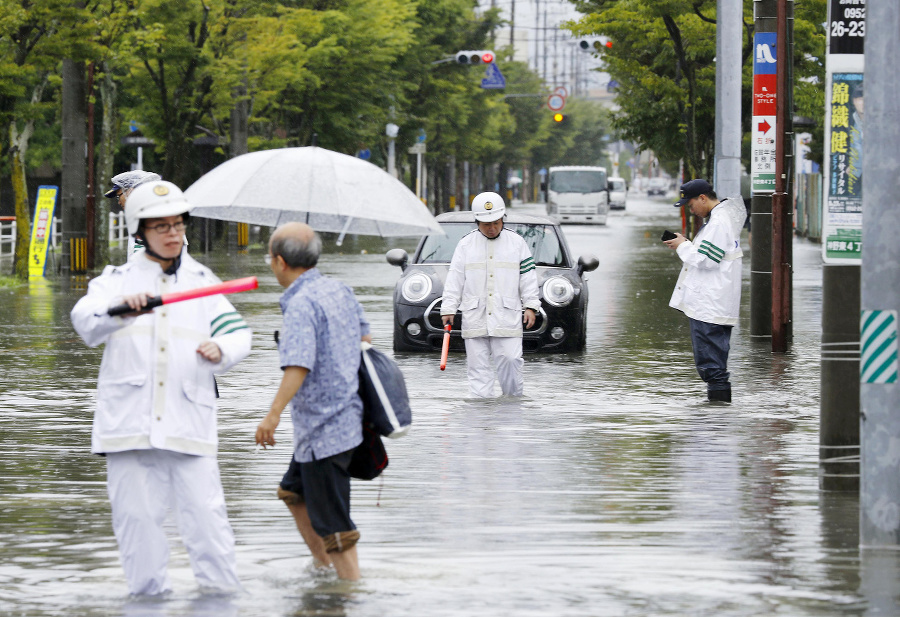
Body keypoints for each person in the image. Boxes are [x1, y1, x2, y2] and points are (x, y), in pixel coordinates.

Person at [70, 180, 252, 595]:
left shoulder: (203, 282)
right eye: (161, 227)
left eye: (178, 225)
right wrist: (121, 312)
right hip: (128, 432)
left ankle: (221, 604)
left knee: (210, 531)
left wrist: (220, 348)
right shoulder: (114, 281)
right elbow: (85, 322)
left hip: (190, 427)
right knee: (139, 537)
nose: (173, 234)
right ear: (140, 231)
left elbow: (239, 333)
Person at [255, 222, 372, 581]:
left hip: (325, 431)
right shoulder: (339, 289)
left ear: (278, 261)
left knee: (337, 526)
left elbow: (298, 366)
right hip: (343, 420)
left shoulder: (302, 305)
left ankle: (351, 592)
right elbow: (365, 336)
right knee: (293, 492)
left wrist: (271, 416)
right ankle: (324, 569)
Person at [440, 192, 541, 398]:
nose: (492, 228)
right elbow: (455, 278)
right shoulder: (465, 245)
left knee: (512, 362)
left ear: (503, 219)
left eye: (496, 223)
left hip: (507, 316)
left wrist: (531, 306)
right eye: (486, 224)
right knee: (478, 372)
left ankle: (512, 413)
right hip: (475, 316)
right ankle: (481, 421)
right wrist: (449, 308)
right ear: (477, 222)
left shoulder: (517, 243)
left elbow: (528, 277)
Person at [665, 179, 746, 403]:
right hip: (714, 302)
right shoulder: (721, 219)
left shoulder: (719, 222)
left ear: (703, 198)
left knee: (713, 367)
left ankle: (716, 423)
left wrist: (682, 244)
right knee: (714, 364)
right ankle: (716, 422)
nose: (691, 211)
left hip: (710, 304)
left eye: (690, 205)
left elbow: (706, 259)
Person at [104, 170, 162, 259]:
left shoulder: (159, 222)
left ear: (131, 191)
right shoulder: (138, 222)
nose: (119, 202)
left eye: (119, 196)